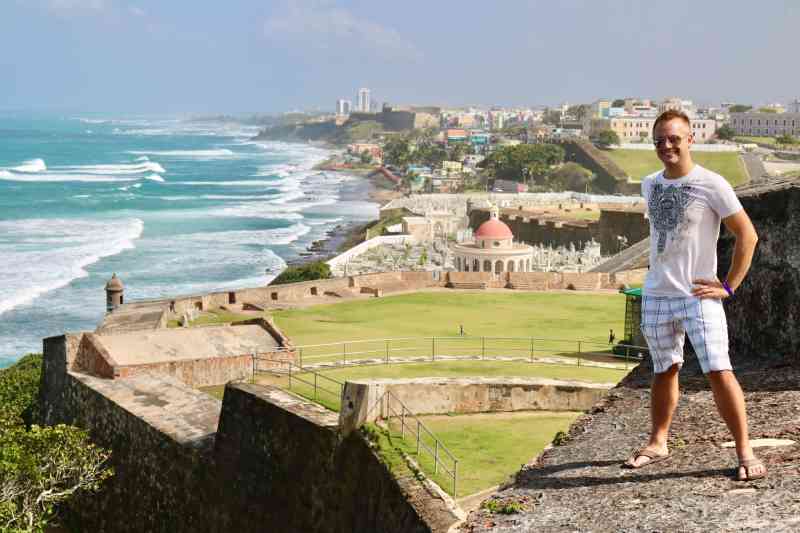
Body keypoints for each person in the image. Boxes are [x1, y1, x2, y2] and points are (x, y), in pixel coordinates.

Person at [623, 110, 765, 481]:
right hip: (658, 293)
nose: (666, 146)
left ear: (690, 140)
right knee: (663, 369)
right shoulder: (650, 184)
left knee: (719, 368)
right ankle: (658, 441)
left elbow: (747, 236)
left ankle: (745, 450)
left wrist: (728, 285)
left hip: (698, 294)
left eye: (673, 139)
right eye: (659, 140)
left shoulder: (712, 183)